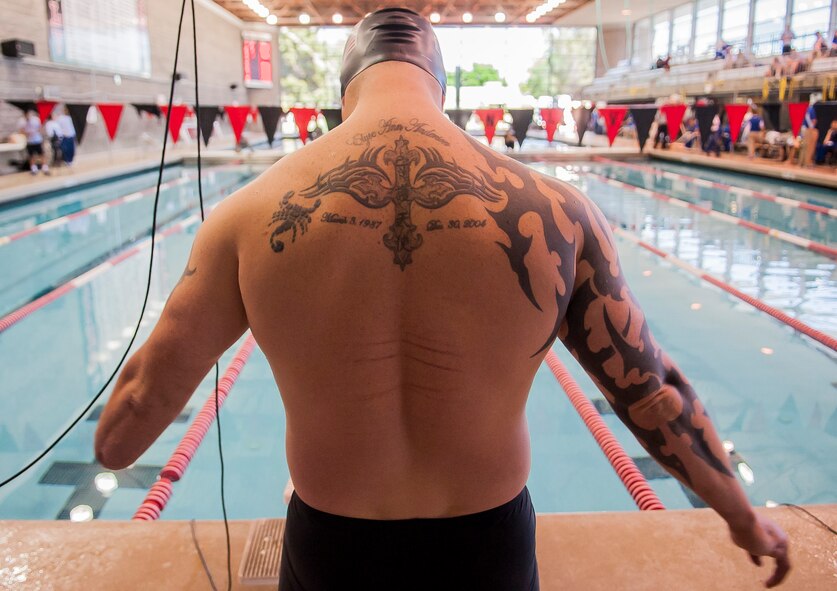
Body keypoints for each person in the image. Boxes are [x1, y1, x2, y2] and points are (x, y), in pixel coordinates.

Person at [94, 8, 791, 591]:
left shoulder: (246, 216)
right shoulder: (557, 210)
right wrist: (741, 515)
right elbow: (651, 391)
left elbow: (127, 430)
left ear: (345, 88)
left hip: (331, 547)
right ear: (440, 84)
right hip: (489, 549)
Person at [18, 109, 48, 175]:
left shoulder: (35, 120)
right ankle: (34, 169)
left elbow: (40, 127)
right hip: (29, 141)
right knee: (31, 156)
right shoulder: (22, 121)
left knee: (41, 154)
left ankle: (45, 168)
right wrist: (26, 132)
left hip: (37, 140)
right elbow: (21, 131)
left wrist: (36, 131)